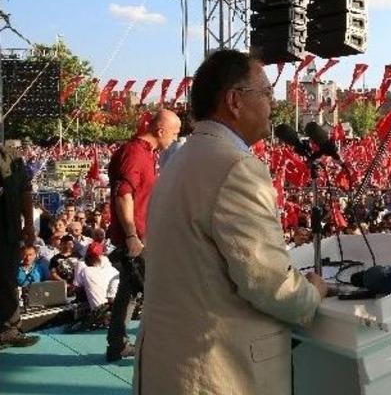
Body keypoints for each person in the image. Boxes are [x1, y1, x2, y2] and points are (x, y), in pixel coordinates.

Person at [135, 50, 326, 395]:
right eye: (266, 93)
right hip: (214, 372)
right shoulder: (235, 167)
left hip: (170, 363)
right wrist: (312, 294)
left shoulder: (180, 159)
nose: (272, 105)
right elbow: (269, 283)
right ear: (235, 101)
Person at [105, 108, 181, 362]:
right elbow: (123, 194)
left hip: (139, 234)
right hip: (135, 238)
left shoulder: (146, 154)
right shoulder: (135, 154)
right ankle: (161, 350)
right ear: (160, 131)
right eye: (174, 132)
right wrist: (131, 236)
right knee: (158, 291)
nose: (176, 137)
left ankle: (116, 345)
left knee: (127, 292)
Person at [0, 144, 39, 350]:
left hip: (9, 231)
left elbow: (25, 191)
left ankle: (10, 330)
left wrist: (30, 225)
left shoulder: (12, 156)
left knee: (8, 279)